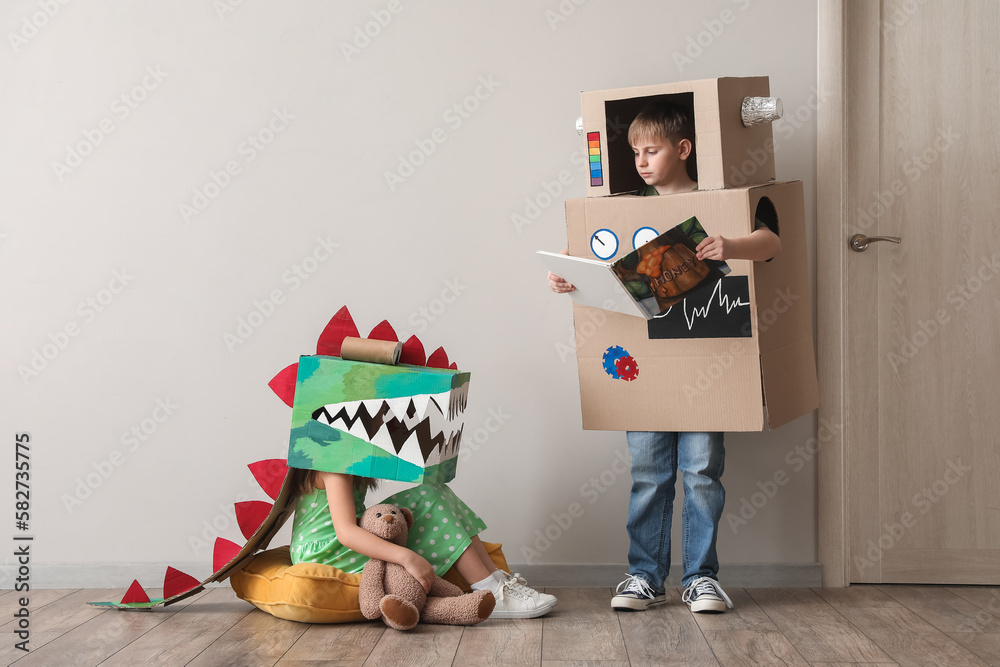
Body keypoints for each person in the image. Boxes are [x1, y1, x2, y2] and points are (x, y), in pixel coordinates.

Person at [547, 100, 780, 614]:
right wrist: (566, 277)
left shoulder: (719, 201)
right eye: (634, 153)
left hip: (706, 358)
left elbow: (772, 240)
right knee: (649, 473)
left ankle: (700, 577)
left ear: (683, 149)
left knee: (701, 471)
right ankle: (644, 576)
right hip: (645, 366)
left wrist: (730, 244)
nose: (641, 162)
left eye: (651, 150)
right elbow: (589, 261)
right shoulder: (624, 208)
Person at [289, 469, 558, 619]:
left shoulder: (349, 457)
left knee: (434, 490)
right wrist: (406, 557)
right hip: (327, 551)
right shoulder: (331, 461)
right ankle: (492, 592)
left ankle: (497, 583)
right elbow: (346, 532)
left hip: (340, 539)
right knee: (430, 502)